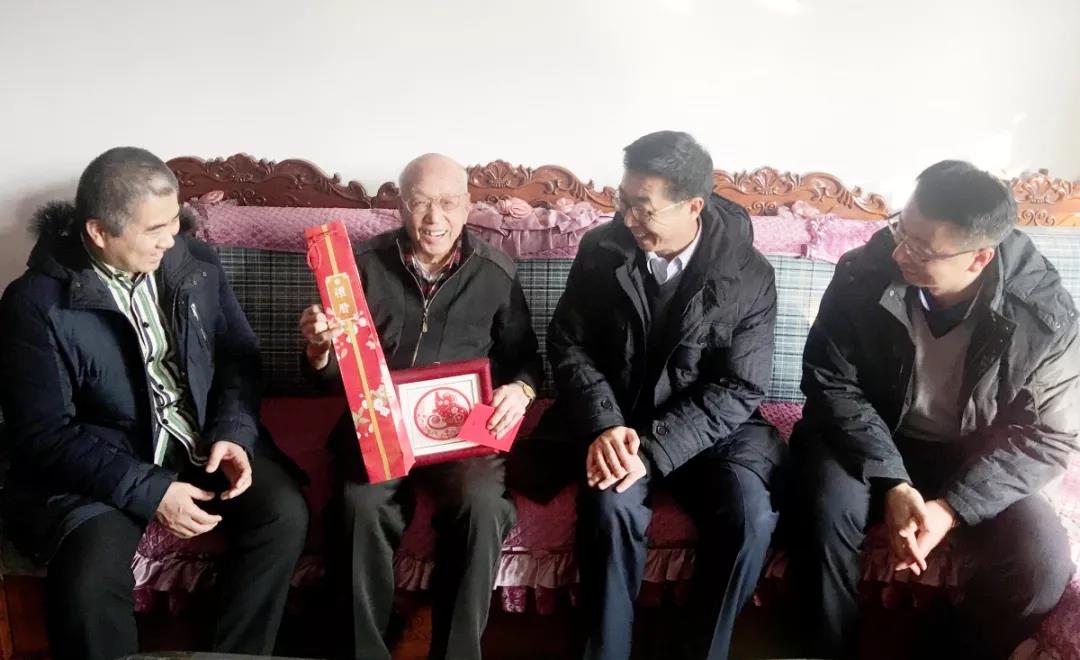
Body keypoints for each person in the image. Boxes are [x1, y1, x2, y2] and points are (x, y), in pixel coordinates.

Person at [0, 147, 309, 660]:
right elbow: (44, 433)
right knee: (89, 575)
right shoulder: (34, 303)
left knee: (282, 514)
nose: (172, 238)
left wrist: (233, 432)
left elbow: (237, 358)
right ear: (100, 232)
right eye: (154, 229)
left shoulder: (195, 262)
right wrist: (152, 491)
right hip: (105, 461)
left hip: (200, 439)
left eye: (174, 221)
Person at [789, 160, 1078, 659]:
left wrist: (951, 509)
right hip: (869, 436)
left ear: (978, 258)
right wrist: (892, 480)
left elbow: (1049, 437)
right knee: (822, 511)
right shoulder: (863, 272)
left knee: (1042, 565)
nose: (899, 251)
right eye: (901, 228)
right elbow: (830, 381)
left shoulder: (1044, 315)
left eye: (922, 249)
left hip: (974, 454)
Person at [539, 130, 786, 659]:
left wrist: (651, 449)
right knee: (609, 504)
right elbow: (568, 344)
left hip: (712, 433)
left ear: (693, 206)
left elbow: (739, 385)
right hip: (619, 419)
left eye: (643, 208)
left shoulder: (749, 274)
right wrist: (606, 426)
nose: (627, 217)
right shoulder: (601, 250)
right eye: (622, 200)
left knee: (750, 517)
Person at [299, 153, 542, 660]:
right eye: (421, 203)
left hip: (459, 425)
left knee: (483, 505)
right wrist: (319, 351)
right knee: (360, 506)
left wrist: (520, 390)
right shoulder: (358, 267)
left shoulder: (495, 271)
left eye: (448, 203)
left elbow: (523, 359)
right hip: (377, 420)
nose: (434, 218)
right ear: (400, 206)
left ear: (468, 205)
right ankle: (365, 651)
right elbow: (329, 377)